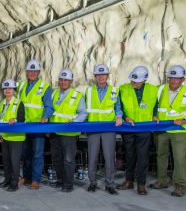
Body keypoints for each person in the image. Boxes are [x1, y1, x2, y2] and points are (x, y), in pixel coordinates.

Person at [149, 65, 186, 197]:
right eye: (171, 78)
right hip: (161, 128)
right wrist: (153, 114)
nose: (173, 81)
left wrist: (185, 120)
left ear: (182, 80)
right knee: (161, 155)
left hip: (179, 130)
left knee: (179, 158)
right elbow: (153, 104)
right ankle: (162, 180)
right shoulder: (160, 89)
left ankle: (179, 186)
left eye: (177, 78)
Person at [117, 66, 157, 195]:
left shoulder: (153, 90)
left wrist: (155, 115)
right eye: (132, 80)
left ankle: (141, 184)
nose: (133, 82)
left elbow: (156, 105)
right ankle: (128, 181)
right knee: (129, 156)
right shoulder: (123, 88)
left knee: (142, 157)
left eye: (136, 81)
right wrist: (125, 117)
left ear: (144, 80)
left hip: (144, 129)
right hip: (128, 128)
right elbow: (118, 107)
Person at [85, 64, 123, 195]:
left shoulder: (114, 91)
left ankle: (110, 184)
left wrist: (119, 116)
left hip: (108, 128)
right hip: (93, 128)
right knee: (92, 157)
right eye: (98, 75)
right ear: (95, 77)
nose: (101, 77)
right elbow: (84, 110)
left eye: (103, 75)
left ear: (107, 76)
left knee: (109, 157)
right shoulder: (88, 91)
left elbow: (118, 107)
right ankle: (92, 182)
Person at [49, 69, 87, 193]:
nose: (63, 82)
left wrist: (74, 121)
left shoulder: (77, 96)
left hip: (69, 133)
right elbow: (49, 110)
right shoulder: (54, 93)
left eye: (66, 80)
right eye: (61, 80)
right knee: (56, 158)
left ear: (71, 81)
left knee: (68, 159)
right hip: (55, 132)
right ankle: (60, 180)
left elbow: (83, 113)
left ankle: (68, 183)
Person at [18, 59, 54, 190]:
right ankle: (26, 177)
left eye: (35, 71)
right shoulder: (21, 86)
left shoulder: (45, 87)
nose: (32, 73)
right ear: (26, 72)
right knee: (25, 153)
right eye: (30, 71)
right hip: (24, 126)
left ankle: (35, 179)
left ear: (39, 72)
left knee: (37, 154)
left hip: (38, 126)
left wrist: (45, 116)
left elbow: (49, 107)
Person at [0, 79, 25, 192]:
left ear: (14, 90)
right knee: (6, 161)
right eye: (6, 89)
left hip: (16, 137)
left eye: (10, 89)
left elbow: (22, 119)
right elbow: (0, 119)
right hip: (5, 136)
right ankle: (7, 180)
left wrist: (15, 120)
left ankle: (14, 183)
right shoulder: (2, 103)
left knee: (14, 161)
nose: (8, 90)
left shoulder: (19, 103)